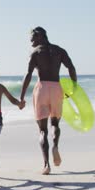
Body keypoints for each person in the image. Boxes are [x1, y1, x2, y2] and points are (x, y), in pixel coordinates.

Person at [19, 27, 77, 175]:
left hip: (42, 88)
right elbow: (71, 67)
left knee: (42, 130)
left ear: (40, 36)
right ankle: (55, 146)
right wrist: (74, 87)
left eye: (32, 37)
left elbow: (28, 74)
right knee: (55, 123)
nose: (31, 41)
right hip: (56, 87)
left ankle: (46, 165)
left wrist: (22, 96)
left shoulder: (36, 52)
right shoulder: (59, 50)